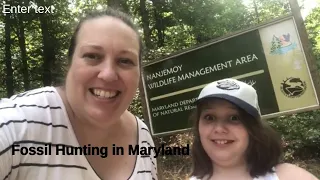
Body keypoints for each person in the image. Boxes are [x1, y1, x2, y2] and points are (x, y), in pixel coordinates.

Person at [0, 8, 157, 180]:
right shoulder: (15, 123)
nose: (108, 74)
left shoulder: (142, 135)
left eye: (125, 61)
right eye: (92, 56)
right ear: (69, 64)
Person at [189, 78, 318, 180]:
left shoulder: (290, 176)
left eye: (234, 118)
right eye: (209, 117)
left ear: (253, 128)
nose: (219, 129)